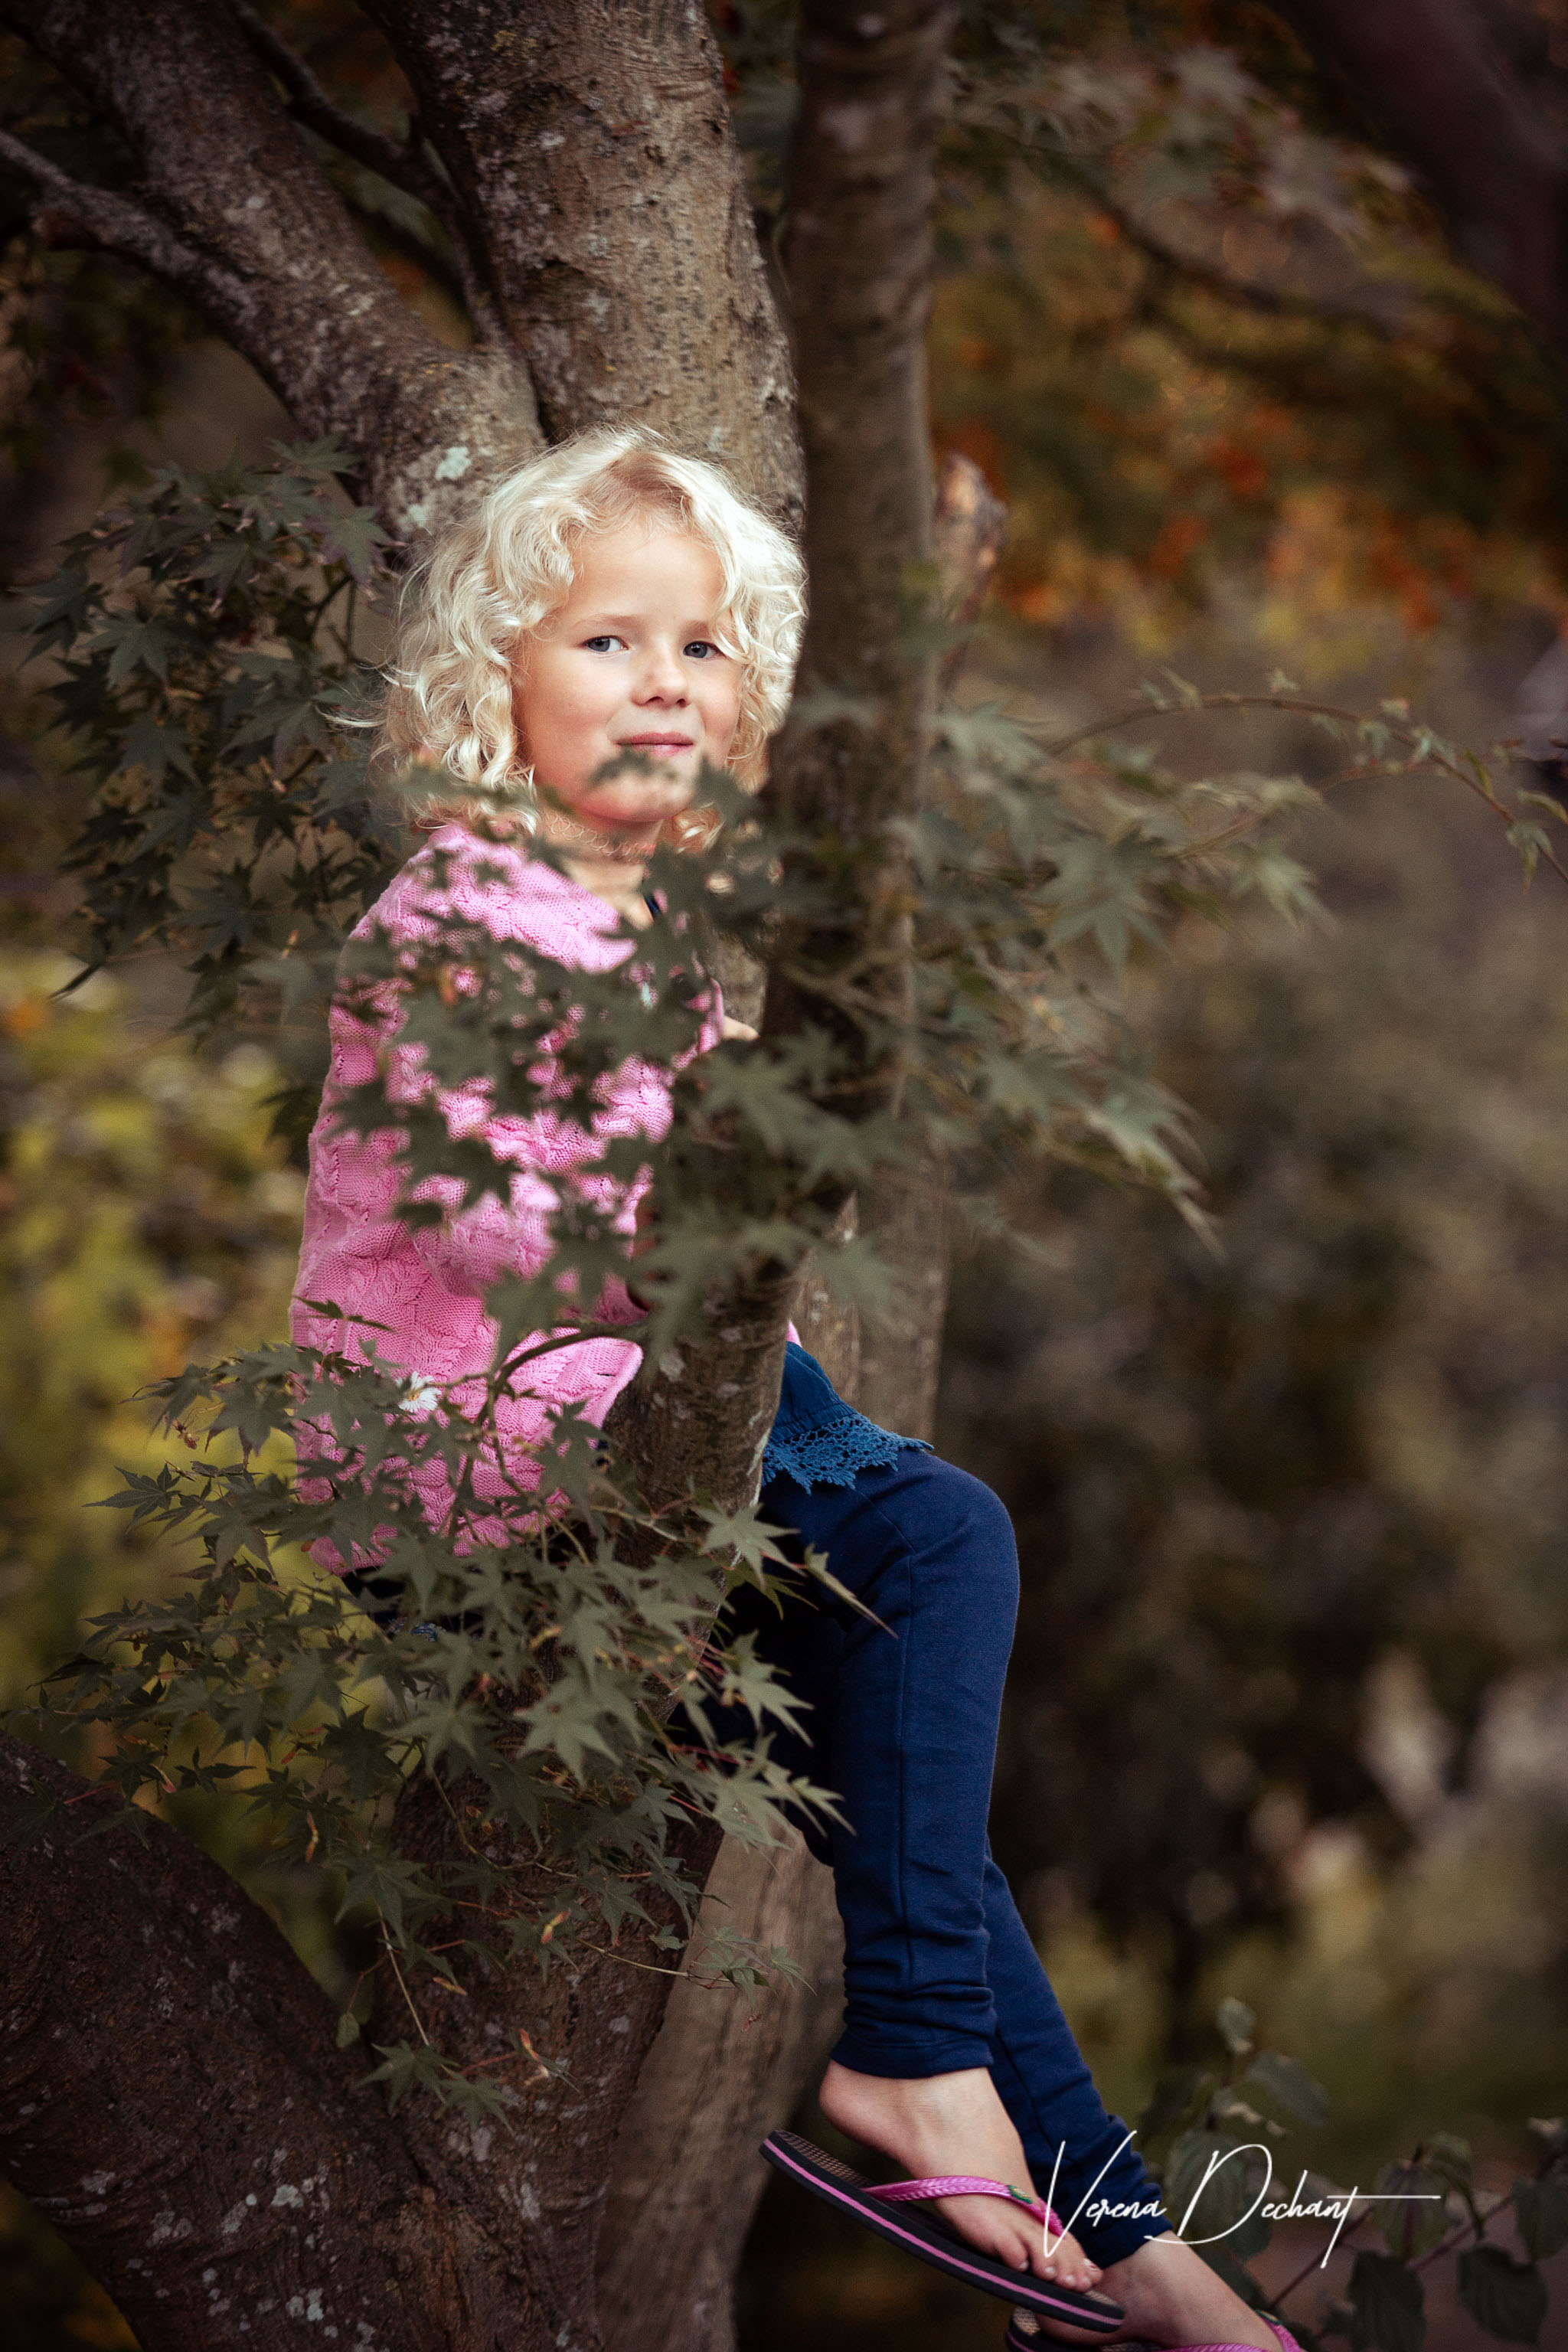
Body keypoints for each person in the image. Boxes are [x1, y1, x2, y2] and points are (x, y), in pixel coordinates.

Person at [289, 428, 1292, 2351]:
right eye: (603, 641)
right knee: (939, 1530)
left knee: (910, 1810)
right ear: (491, 682)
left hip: (595, 1459)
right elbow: (518, 1222)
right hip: (482, 1470)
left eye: (701, 650)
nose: (660, 681)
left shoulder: (642, 930)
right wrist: (720, 1132)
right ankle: (912, 2058)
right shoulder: (460, 908)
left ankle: (1127, 2233)